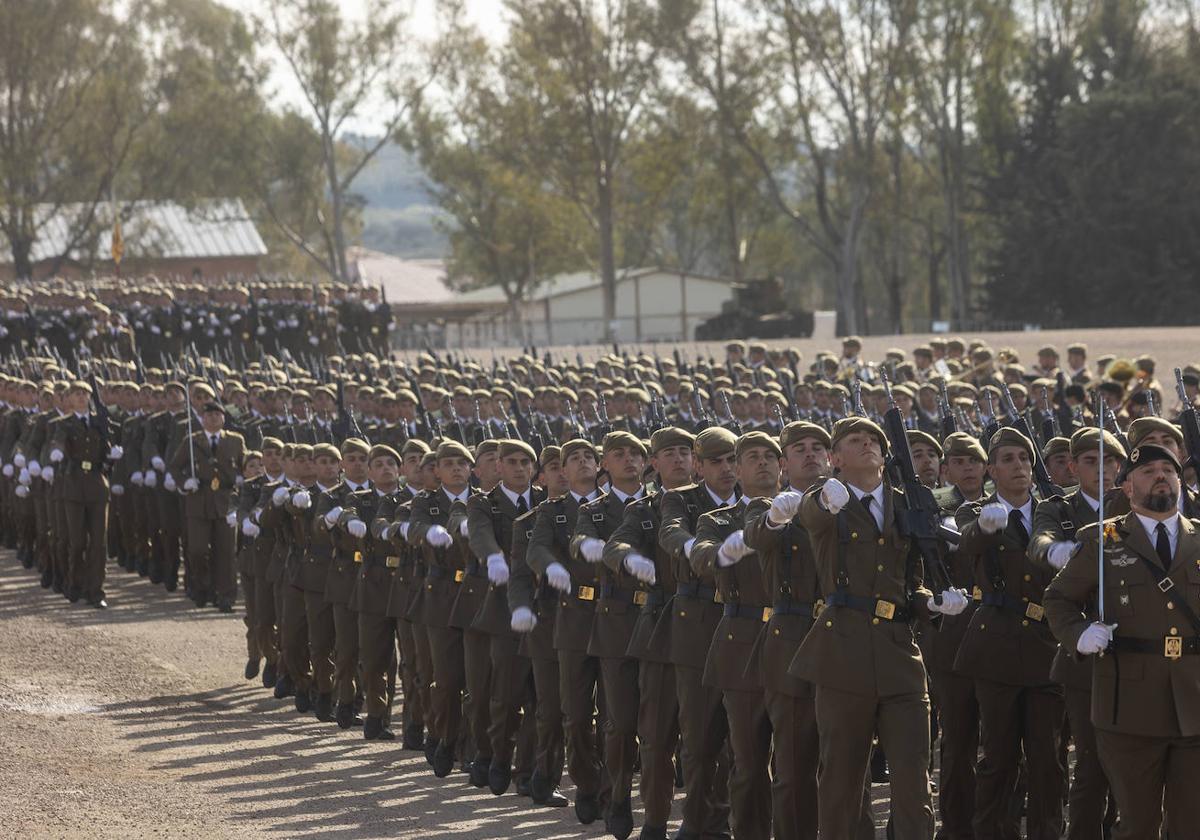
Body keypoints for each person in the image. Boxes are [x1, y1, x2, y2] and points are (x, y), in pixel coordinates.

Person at [1044, 443, 1200, 839]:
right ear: (1127, 486)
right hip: (1129, 707)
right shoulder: (1103, 540)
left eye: (1169, 469)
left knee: (1190, 824)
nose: (1162, 475)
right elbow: (1057, 599)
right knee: (1137, 824)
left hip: (1195, 703)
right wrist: (1079, 633)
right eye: (1148, 470)